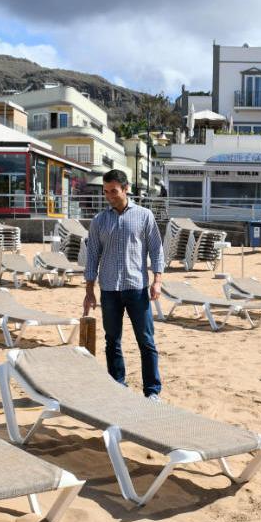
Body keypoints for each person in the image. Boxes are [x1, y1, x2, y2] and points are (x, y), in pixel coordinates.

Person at [82, 169, 165, 399]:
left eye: (114, 191)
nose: (109, 196)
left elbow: (157, 250)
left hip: (137, 288)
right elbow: (92, 258)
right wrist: (89, 292)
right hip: (109, 289)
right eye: (106, 192)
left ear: (126, 188)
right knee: (112, 342)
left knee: (146, 341)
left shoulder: (144, 216)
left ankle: (152, 392)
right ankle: (118, 386)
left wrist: (157, 281)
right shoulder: (99, 221)